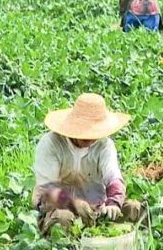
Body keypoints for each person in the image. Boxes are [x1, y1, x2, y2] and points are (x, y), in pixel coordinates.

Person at [33, 93, 144, 235]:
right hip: (58, 209)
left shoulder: (104, 146)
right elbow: (47, 189)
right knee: (63, 220)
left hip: (97, 209)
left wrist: (113, 203)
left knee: (134, 208)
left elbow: (114, 178)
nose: (89, 137)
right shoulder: (52, 144)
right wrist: (73, 203)